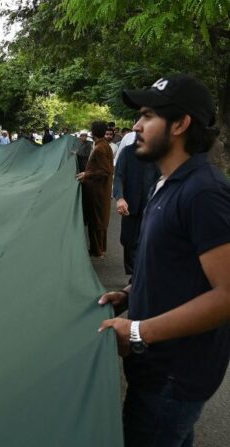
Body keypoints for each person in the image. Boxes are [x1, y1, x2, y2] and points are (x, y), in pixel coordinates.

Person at [98, 74, 230, 447]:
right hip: (156, 370)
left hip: (173, 378)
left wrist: (138, 332)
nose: (136, 126)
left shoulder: (204, 192)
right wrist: (129, 292)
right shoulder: (169, 183)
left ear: (181, 124)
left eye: (148, 116)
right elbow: (176, 266)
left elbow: (227, 295)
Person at [112, 141, 160, 274]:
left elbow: (163, 176)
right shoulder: (127, 152)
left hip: (152, 206)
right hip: (129, 206)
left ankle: (140, 277)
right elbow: (118, 177)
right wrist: (120, 198)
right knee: (128, 241)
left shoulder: (158, 152)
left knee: (149, 242)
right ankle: (133, 276)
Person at [76, 121, 113, 257]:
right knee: (99, 220)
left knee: (96, 220)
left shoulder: (100, 149)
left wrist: (87, 174)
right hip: (100, 190)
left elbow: (105, 171)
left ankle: (97, 250)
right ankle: (100, 249)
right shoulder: (104, 145)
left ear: (92, 132)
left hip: (97, 191)